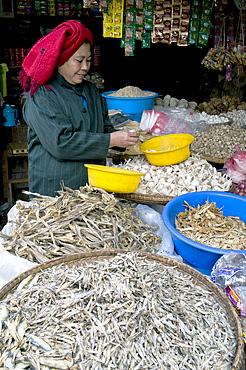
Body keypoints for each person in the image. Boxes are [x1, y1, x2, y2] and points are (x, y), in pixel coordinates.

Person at [19, 20, 139, 197]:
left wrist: (126, 140)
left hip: (92, 189)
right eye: (79, 60)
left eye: (88, 60)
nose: (85, 67)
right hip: (55, 194)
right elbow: (60, 144)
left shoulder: (90, 91)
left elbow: (105, 129)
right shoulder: (42, 95)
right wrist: (110, 140)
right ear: (61, 59)